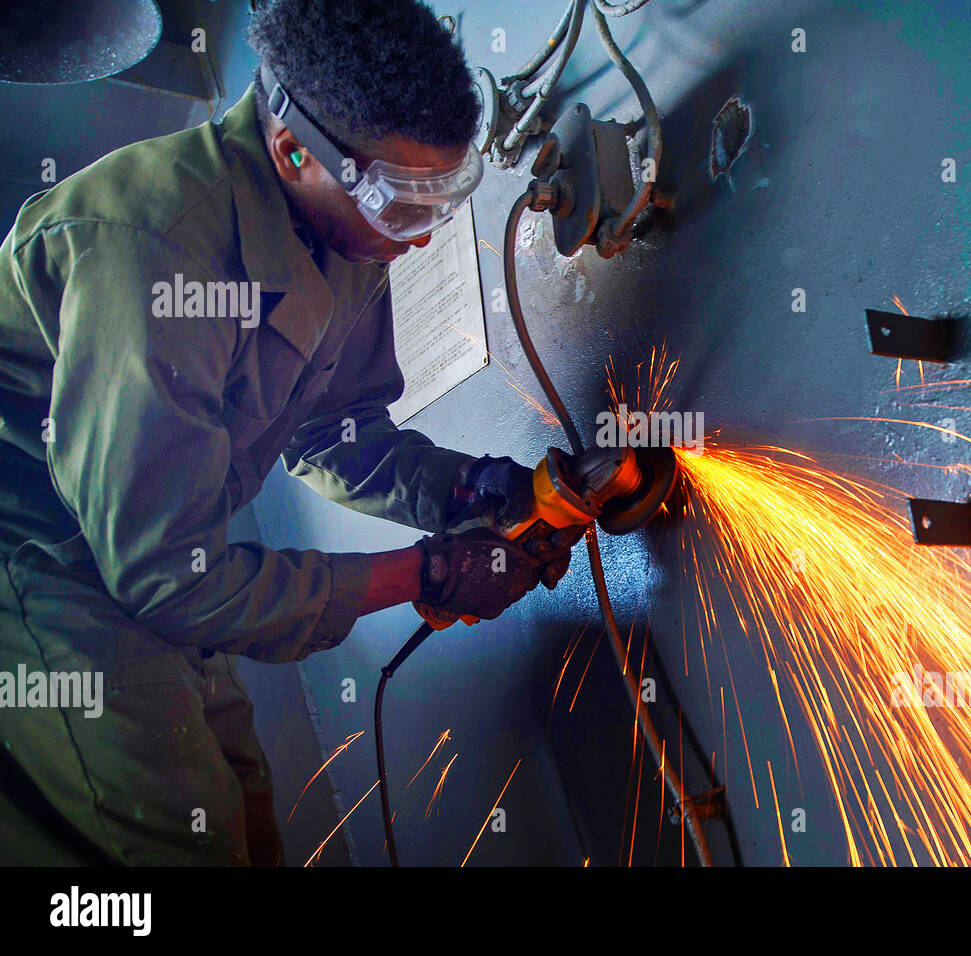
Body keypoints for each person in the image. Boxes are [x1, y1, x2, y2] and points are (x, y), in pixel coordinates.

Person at [0, 0, 570, 865]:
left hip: (152, 563)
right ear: (294, 150)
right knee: (173, 839)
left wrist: (477, 490)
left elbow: (333, 432)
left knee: (243, 819)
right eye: (403, 202)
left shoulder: (347, 234)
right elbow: (161, 576)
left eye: (439, 203)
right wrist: (432, 571)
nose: (417, 238)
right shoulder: (154, 247)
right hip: (37, 564)